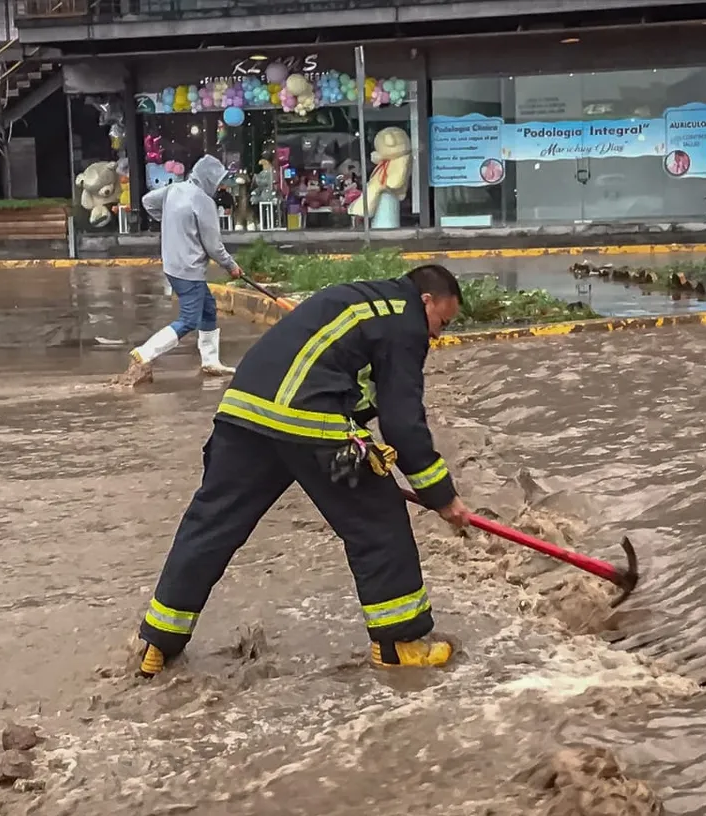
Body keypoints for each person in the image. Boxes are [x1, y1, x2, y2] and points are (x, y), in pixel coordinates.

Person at [134, 264, 472, 677]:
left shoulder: (359, 298)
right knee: (378, 523)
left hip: (243, 413)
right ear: (425, 301)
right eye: (442, 320)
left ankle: (158, 644)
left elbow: (349, 381)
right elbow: (403, 422)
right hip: (309, 422)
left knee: (210, 527)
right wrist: (442, 496)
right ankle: (400, 645)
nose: (437, 335)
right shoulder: (404, 322)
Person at [124, 154, 242, 385]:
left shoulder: (174, 190)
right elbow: (213, 246)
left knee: (208, 309)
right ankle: (144, 353)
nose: (220, 186)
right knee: (189, 319)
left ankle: (210, 361)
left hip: (173, 264)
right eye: (218, 180)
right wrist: (231, 266)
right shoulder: (204, 202)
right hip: (189, 268)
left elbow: (148, 201)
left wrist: (171, 222)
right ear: (209, 178)